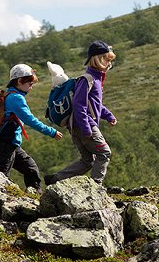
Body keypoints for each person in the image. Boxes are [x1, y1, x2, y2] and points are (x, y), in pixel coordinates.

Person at [0, 64, 63, 193]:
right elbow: (30, 120)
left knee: (31, 169)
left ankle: (35, 197)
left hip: (9, 144)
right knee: (1, 176)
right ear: (20, 81)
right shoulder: (16, 98)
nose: (31, 88)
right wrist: (51, 132)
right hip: (5, 144)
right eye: (30, 84)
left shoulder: (8, 94)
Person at [45, 41, 116, 186]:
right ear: (97, 59)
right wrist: (86, 128)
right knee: (104, 153)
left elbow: (95, 104)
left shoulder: (95, 79)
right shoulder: (87, 80)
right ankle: (96, 187)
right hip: (84, 125)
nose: (109, 63)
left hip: (78, 126)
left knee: (87, 161)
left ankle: (55, 179)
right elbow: (79, 105)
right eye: (107, 59)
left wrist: (108, 116)